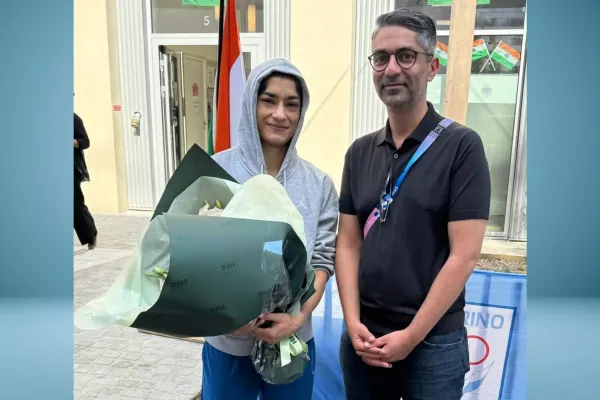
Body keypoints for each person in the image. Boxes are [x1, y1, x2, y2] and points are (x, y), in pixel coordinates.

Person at [335, 9, 491, 400]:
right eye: (381, 58)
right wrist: (352, 322)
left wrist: (411, 336)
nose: (391, 69)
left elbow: (464, 255)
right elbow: (348, 243)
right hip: (365, 338)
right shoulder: (359, 152)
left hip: (433, 344)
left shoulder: (461, 147)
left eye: (406, 56)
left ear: (432, 67)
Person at [201, 58, 339, 400]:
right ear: (252, 103)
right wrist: (227, 316)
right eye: (269, 100)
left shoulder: (319, 184)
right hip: (228, 344)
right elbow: (196, 254)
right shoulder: (215, 170)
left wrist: (297, 318)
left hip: (293, 344)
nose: (280, 114)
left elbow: (322, 261)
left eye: (291, 104)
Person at [74, 112, 98, 250]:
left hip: (71, 169)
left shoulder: (73, 118)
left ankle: (90, 235)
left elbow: (85, 142)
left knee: (75, 204)